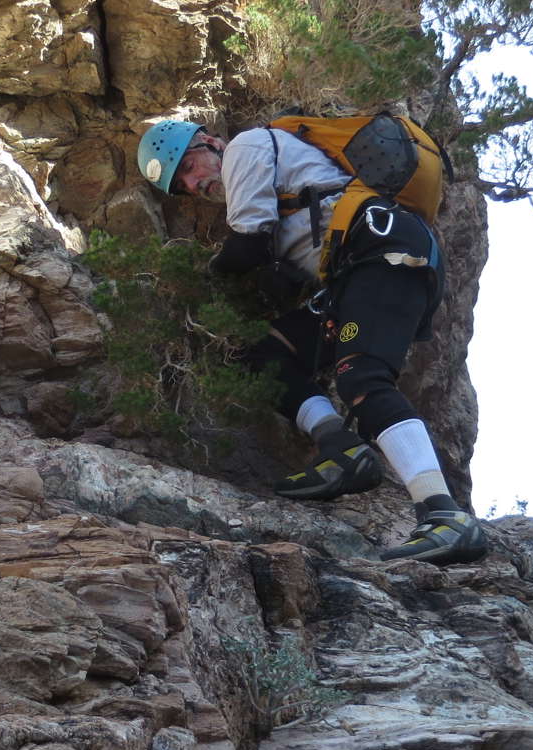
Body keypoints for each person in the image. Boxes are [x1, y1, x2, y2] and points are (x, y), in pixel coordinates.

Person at [136, 117, 486, 565]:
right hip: (353, 271)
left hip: (382, 249)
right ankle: (343, 450)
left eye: (188, 166)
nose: (193, 184)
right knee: (262, 354)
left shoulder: (244, 147)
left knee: (363, 377)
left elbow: (249, 245)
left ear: (208, 141)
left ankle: (445, 515)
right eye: (182, 186)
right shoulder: (261, 167)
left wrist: (197, 281)